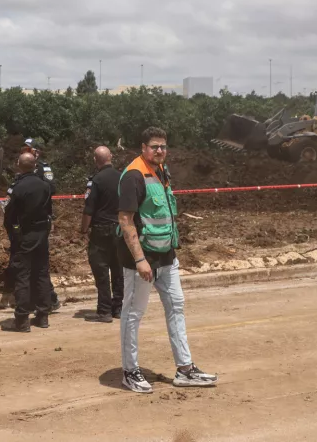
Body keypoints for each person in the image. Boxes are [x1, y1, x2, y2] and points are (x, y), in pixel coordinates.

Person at [117, 127, 217, 393]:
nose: (159, 150)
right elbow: (125, 220)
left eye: (163, 146)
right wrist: (139, 260)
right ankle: (130, 371)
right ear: (143, 148)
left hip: (166, 256)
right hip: (142, 259)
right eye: (154, 146)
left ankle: (185, 369)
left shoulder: (162, 171)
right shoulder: (134, 176)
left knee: (177, 307)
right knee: (133, 314)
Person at [0, 138, 61, 311]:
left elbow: (51, 189)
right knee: (35, 267)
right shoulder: (21, 173)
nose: (24, 151)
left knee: (35, 268)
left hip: (36, 222)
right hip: (25, 225)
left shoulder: (42, 168)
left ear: (36, 152)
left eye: (28, 148)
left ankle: (48, 300)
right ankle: (39, 304)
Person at [80, 145, 123, 323]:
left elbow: (89, 209)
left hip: (101, 230)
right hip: (121, 229)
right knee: (119, 269)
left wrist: (83, 229)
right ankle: (119, 308)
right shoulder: (123, 177)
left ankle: (104, 311)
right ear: (111, 157)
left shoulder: (95, 181)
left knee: (101, 269)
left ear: (95, 160)